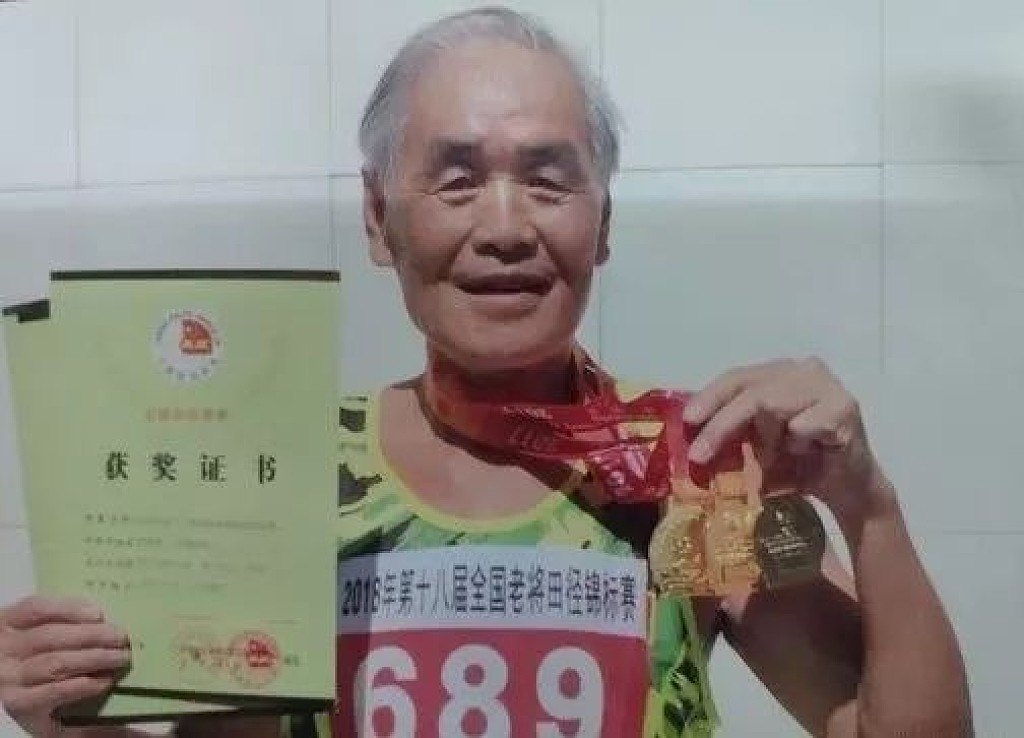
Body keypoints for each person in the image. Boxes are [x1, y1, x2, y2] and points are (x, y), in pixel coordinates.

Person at [0, 6, 972, 737]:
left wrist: (868, 507)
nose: (505, 228)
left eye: (548, 180)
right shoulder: (279, 473)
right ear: (379, 218)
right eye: (457, 179)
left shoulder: (691, 471)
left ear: (603, 221)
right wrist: (69, 717)